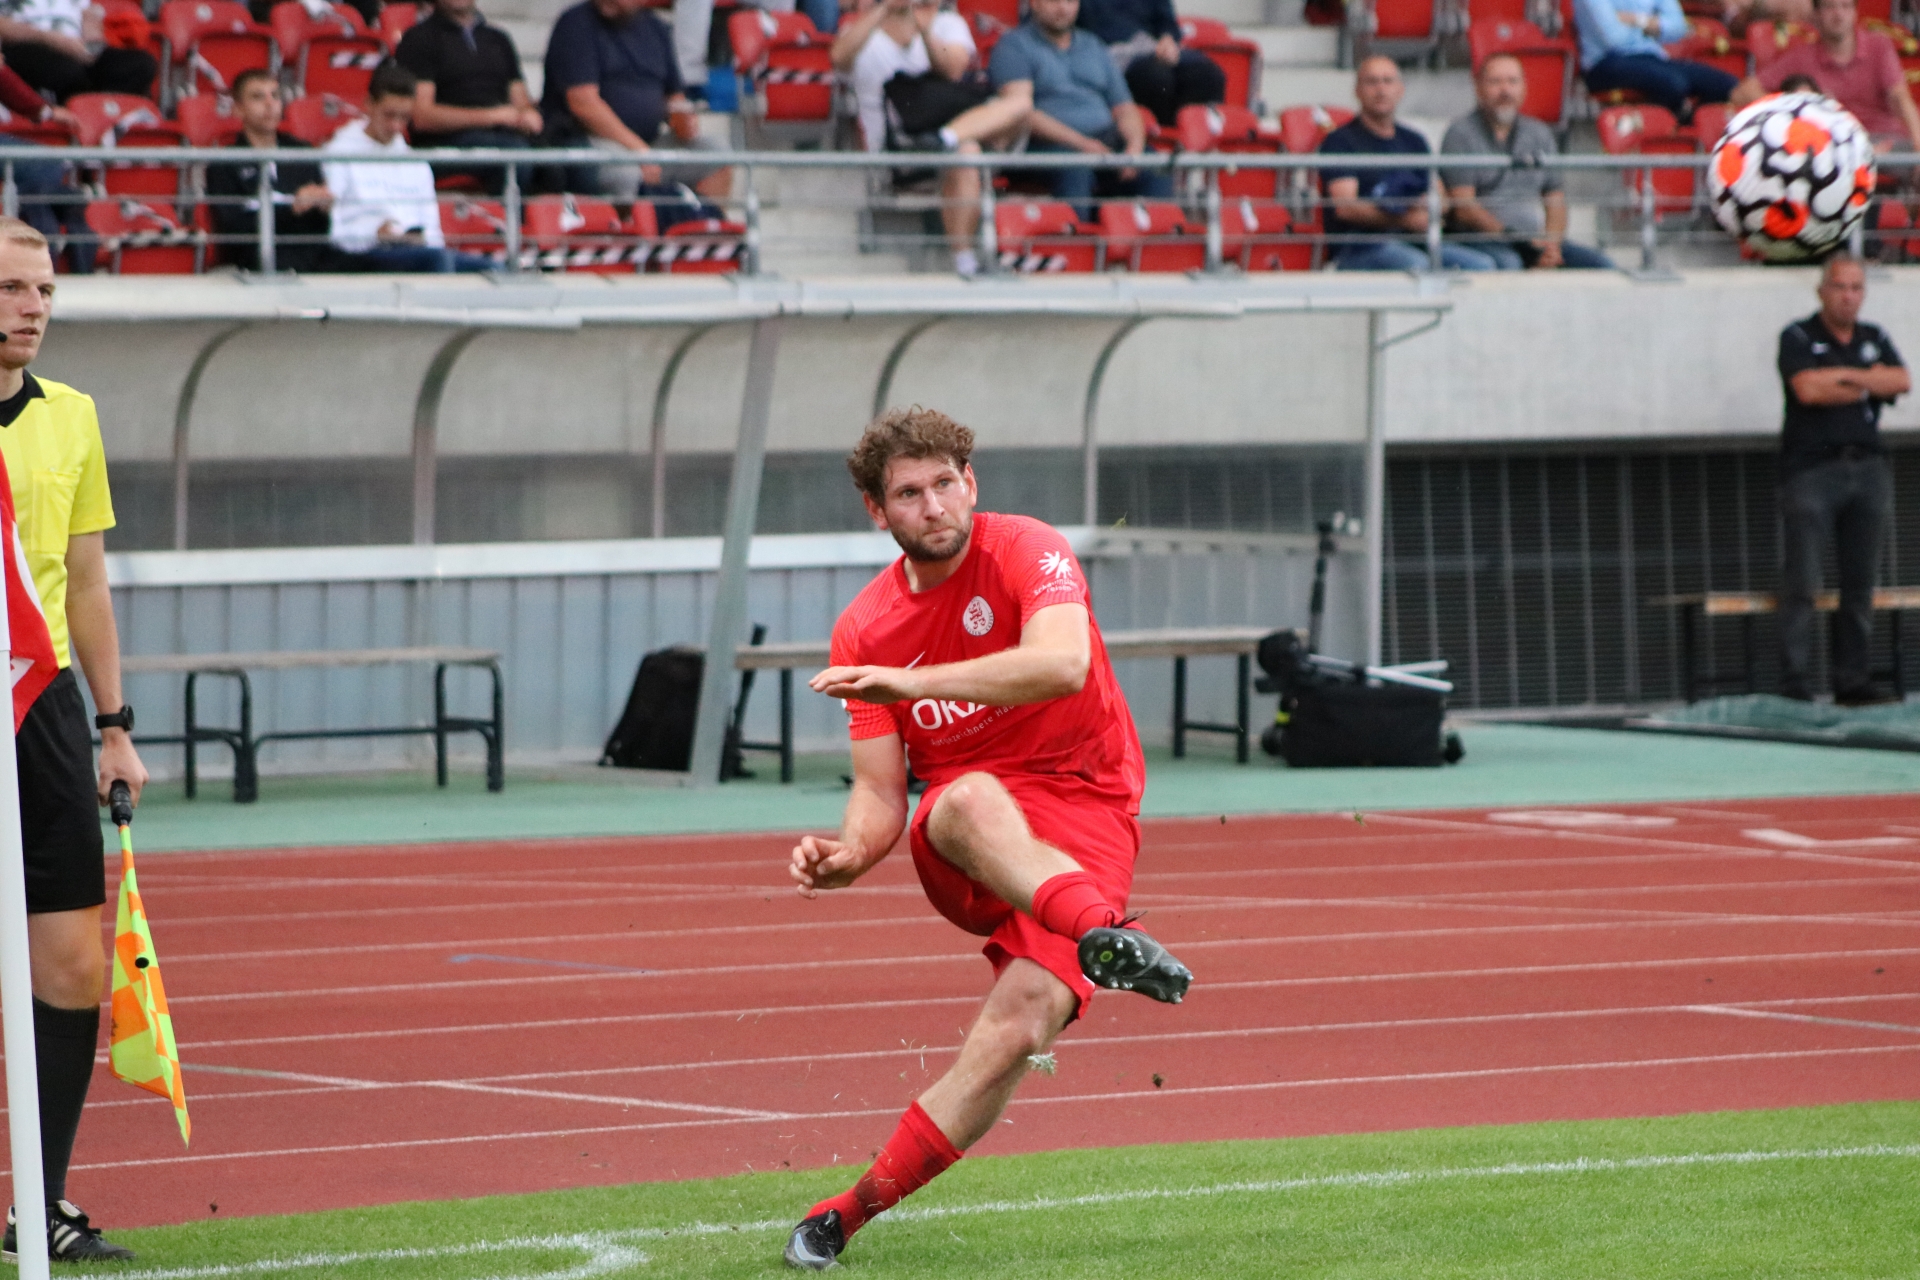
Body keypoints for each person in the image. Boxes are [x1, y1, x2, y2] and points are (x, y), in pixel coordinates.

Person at [780, 408, 1193, 1271]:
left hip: (1085, 811)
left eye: (945, 483)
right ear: (876, 510)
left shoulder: (1027, 548)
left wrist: (913, 682)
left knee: (1020, 1028)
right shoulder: (866, 627)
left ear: (971, 483)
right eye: (908, 493)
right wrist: (851, 851)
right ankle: (1104, 935)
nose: (933, 505)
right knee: (965, 796)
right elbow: (880, 790)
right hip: (966, 844)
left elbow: (1063, 663)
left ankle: (843, 1215)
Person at [0, 215, 145, 1263]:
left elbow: (86, 580)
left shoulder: (73, 416)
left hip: (42, 708)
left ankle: (38, 1204)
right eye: (13, 288)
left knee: (71, 968)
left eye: (45, 290)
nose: (34, 307)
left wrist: (113, 727)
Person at [1775, 255, 1909, 704]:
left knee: (1860, 581)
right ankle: (1795, 681)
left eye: (1856, 288)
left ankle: (1852, 680)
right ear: (1822, 290)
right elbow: (1808, 389)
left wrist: (1845, 376)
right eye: (1840, 287)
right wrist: (1866, 380)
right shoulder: (1798, 336)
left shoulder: (1874, 337)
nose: (1848, 297)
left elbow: (1900, 380)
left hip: (1867, 468)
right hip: (1813, 470)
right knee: (1803, 580)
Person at [834, 0, 1028, 276]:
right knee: (966, 152)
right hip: (895, 150)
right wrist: (884, 8)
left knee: (999, 123)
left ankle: (943, 139)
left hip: (945, 136)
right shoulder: (861, 29)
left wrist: (925, 32)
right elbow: (838, 57)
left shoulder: (948, 24)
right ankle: (965, 261)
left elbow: (953, 69)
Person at [988, 0, 1170, 217]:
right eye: (1054, 1)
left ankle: (1159, 236)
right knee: (1075, 168)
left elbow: (1125, 108)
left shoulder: (1093, 45)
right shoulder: (1013, 46)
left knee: (1155, 165)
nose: (1063, 8)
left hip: (1104, 141)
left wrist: (1134, 149)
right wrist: (1082, 144)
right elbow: (1020, 111)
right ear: (1034, 3)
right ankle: (1075, 236)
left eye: (1070, 1)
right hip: (1045, 145)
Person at [1320, 56, 1497, 271]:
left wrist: (1430, 208)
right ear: (1357, 90)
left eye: (1388, 81)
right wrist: (1404, 219)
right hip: (1359, 247)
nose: (1381, 89)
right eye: (1372, 82)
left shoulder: (1414, 140)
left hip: (1413, 240)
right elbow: (1346, 208)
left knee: (1482, 265)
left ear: (1400, 90)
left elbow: (1441, 196)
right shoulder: (1340, 141)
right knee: (1418, 266)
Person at [1441, 54, 1615, 270]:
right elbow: (1464, 206)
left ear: (1524, 87)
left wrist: (1551, 245)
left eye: (1512, 81)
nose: (1505, 90)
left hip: (1535, 240)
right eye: (1495, 82)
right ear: (1478, 87)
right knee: (1510, 263)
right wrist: (1518, 242)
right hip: (1483, 239)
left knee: (1601, 265)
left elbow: (1555, 199)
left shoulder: (1539, 133)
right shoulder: (1460, 134)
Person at [541, 0, 728, 200]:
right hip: (586, 141)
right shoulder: (576, 23)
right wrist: (639, 151)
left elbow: (674, 96)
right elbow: (583, 104)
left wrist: (683, 119)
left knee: (715, 152)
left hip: (648, 144)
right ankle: (628, 221)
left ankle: (705, 218)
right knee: (625, 172)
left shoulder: (656, 29)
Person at [321, 60, 495, 272]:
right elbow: (335, 231)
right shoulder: (339, 153)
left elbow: (432, 231)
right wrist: (374, 233)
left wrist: (419, 239)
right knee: (438, 261)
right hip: (366, 254)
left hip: (417, 252)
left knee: (495, 270)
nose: (396, 126)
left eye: (403, 117)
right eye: (389, 115)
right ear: (369, 104)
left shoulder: (416, 163)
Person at [1729, 0, 1920, 153]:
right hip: (1830, 146)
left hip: (1885, 141)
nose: (1838, 15)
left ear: (1855, 12)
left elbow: (1900, 97)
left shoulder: (1879, 47)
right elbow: (1742, 93)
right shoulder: (1801, 57)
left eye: (1845, 6)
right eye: (1830, 7)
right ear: (1816, 14)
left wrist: (1918, 144)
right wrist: (1794, 106)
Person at [395, 0, 542, 195]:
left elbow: (520, 99)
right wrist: (493, 117)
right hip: (443, 143)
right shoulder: (419, 39)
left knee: (557, 162)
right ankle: (503, 215)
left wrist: (527, 115)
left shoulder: (498, 39)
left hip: (502, 136)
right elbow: (422, 117)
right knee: (515, 156)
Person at [204, 69, 335, 273]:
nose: (270, 104)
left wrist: (324, 208)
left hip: (312, 257)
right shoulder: (224, 163)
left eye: (275, 96)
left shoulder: (302, 152)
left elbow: (320, 227)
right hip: (253, 263)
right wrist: (292, 208)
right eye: (258, 97)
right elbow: (233, 229)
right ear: (238, 109)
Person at [1572, 0, 1736, 120]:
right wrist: (1654, 26)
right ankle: (1659, 131)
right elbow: (1614, 39)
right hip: (1605, 63)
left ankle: (1684, 129)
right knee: (1673, 83)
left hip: (1652, 57)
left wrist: (1637, 20)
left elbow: (1678, 28)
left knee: (1724, 85)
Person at [1075, 0, 1223, 128]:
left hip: (1153, 46)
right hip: (1111, 52)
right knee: (1157, 78)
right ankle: (1162, 139)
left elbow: (1167, 23)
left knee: (1208, 74)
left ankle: (1196, 138)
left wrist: (1167, 39)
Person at [0, 0, 159, 101]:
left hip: (75, 46)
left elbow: (88, 13)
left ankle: (100, 122)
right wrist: (53, 39)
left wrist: (92, 40)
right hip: (25, 43)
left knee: (140, 65)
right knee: (67, 71)